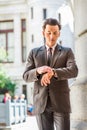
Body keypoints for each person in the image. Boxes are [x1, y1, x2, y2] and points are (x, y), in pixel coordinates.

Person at [23, 18, 78, 130]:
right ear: (43, 33)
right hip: (41, 103)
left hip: (61, 103)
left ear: (59, 33)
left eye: (55, 33)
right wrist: (38, 70)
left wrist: (53, 72)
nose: (52, 37)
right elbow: (26, 76)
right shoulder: (34, 53)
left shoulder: (67, 51)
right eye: (48, 33)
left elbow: (74, 70)